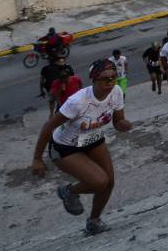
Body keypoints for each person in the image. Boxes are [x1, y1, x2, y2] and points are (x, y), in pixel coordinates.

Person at [30, 58, 132, 236]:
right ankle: (67, 191)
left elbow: (117, 121)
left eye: (113, 78)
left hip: (92, 139)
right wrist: (37, 159)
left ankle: (94, 221)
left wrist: (122, 124)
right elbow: (48, 126)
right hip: (65, 147)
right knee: (100, 181)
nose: (110, 82)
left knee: (109, 182)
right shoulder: (77, 102)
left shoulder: (116, 91)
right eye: (105, 79)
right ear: (94, 79)